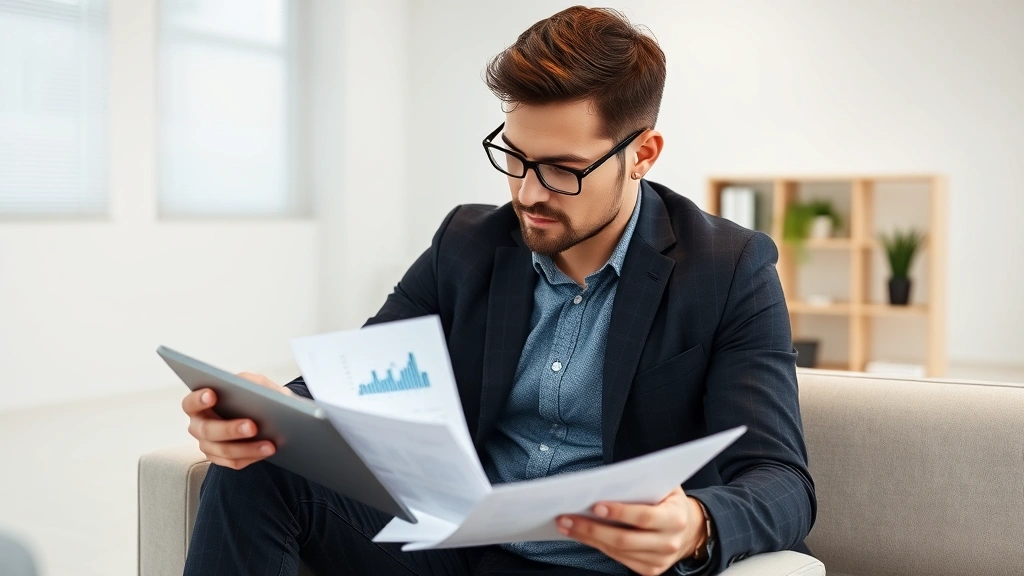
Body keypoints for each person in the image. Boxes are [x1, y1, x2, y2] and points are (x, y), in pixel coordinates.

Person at [180, 6, 815, 576]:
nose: (528, 192)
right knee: (256, 471)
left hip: (606, 570)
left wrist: (697, 523)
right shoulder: (468, 241)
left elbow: (783, 481)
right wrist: (265, 415)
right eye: (514, 155)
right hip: (457, 551)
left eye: (563, 170)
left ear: (642, 153)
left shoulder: (729, 267)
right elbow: (360, 379)